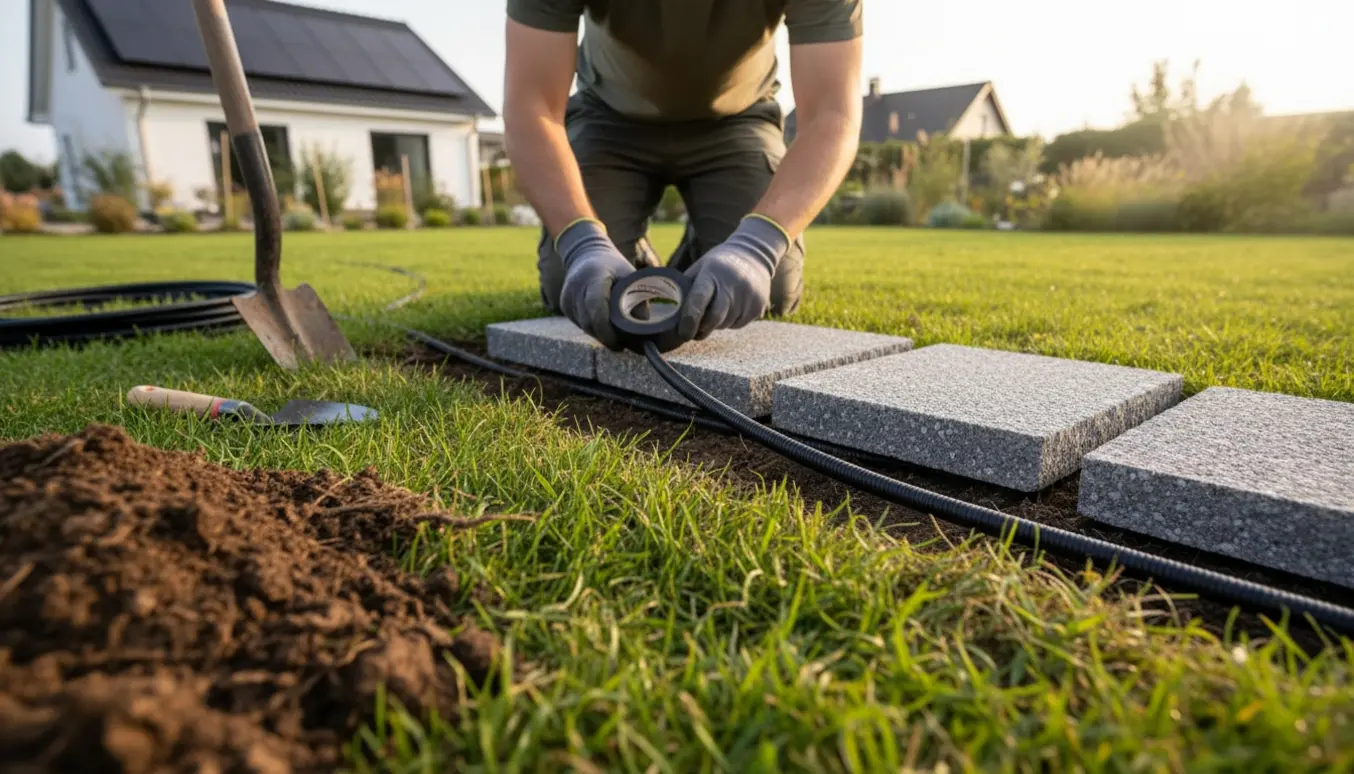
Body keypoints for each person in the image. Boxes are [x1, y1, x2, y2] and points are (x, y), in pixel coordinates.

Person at [503, 1, 863, 349]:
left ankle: (707, 240)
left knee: (772, 290)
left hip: (736, 121)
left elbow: (831, 114)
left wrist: (756, 245)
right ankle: (634, 253)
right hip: (609, 119)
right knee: (572, 285)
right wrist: (582, 242)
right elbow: (530, 105)